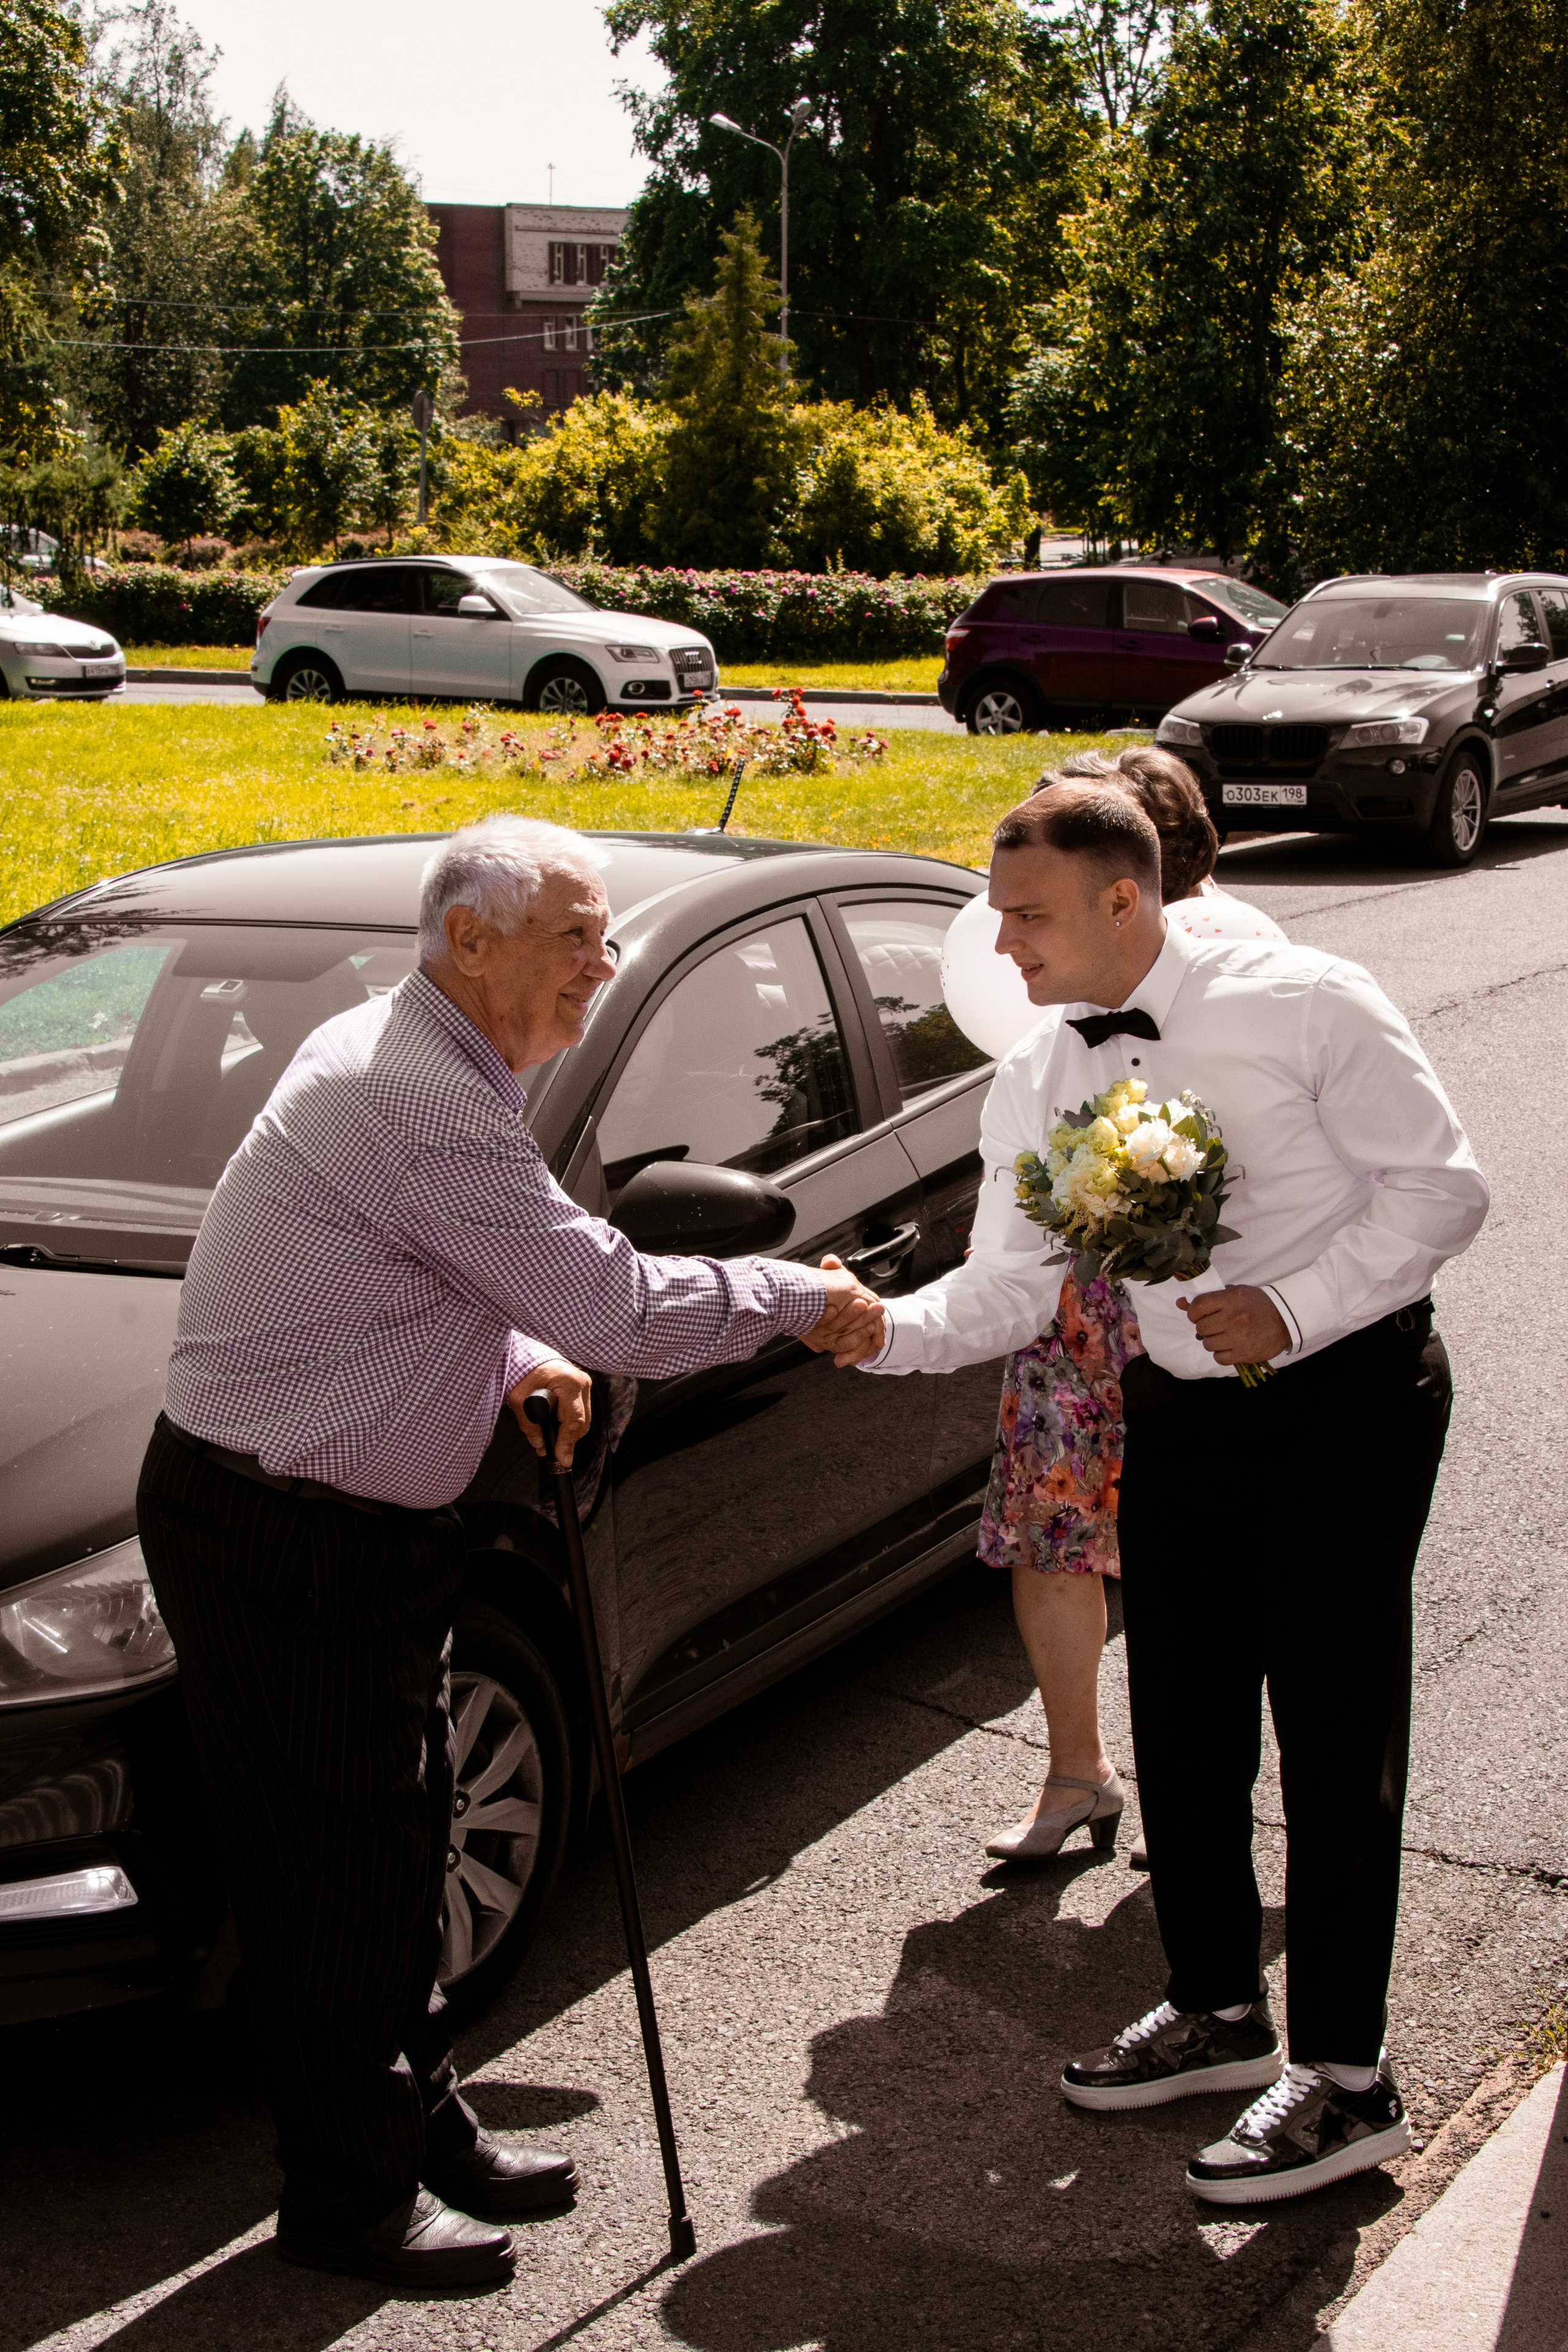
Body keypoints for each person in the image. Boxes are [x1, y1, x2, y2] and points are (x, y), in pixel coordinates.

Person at [135, 814, 878, 2291]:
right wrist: (797, 1299)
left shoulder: (414, 1051)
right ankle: (347, 2205)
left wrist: (516, 1348)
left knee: (400, 1844)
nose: (602, 969)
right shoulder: (417, 1096)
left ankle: (419, 2125)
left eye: (605, 939)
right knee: (333, 1879)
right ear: (464, 941)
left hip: (343, 1525)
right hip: (286, 1536)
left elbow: (468, 1271)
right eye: (574, 940)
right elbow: (614, 1306)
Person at [827, 783, 1487, 2205]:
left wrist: (1295, 1307)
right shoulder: (1038, 1071)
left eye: (1024, 914)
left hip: (1349, 1395)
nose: (997, 945)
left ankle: (1345, 2078)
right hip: (1175, 1409)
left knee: (1330, 1726)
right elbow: (1010, 1284)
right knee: (1178, 1712)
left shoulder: (1305, 997)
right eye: (995, 914)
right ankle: (1212, 2007)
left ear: (1122, 899)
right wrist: (879, 1327)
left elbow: (1441, 1189)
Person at [980, 748, 1284, 1869]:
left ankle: (1206, 1789)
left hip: (1198, 1304)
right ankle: (1078, 1774)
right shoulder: (1045, 1011)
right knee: (1053, 1533)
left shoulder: (1247, 952)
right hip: (1073, 1305)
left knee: (1203, 1555)